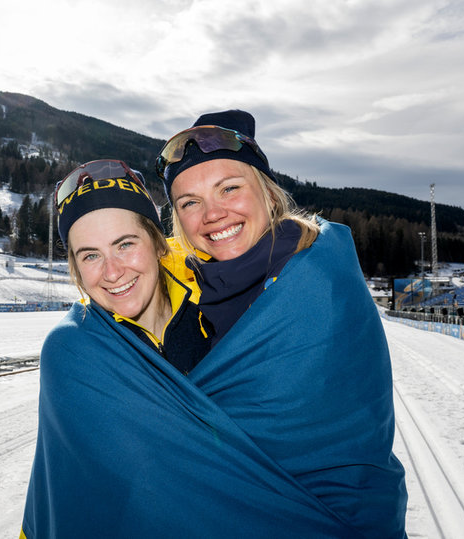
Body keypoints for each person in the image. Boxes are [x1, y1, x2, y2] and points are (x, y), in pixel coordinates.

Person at [156, 109, 407, 537]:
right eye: (190, 203)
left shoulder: (317, 278)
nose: (211, 214)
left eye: (229, 189)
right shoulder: (196, 297)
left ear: (269, 195)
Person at [20, 159, 216, 538]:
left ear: (158, 243)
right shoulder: (74, 352)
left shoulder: (221, 306)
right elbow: (59, 490)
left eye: (125, 245)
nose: (112, 272)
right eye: (90, 255)